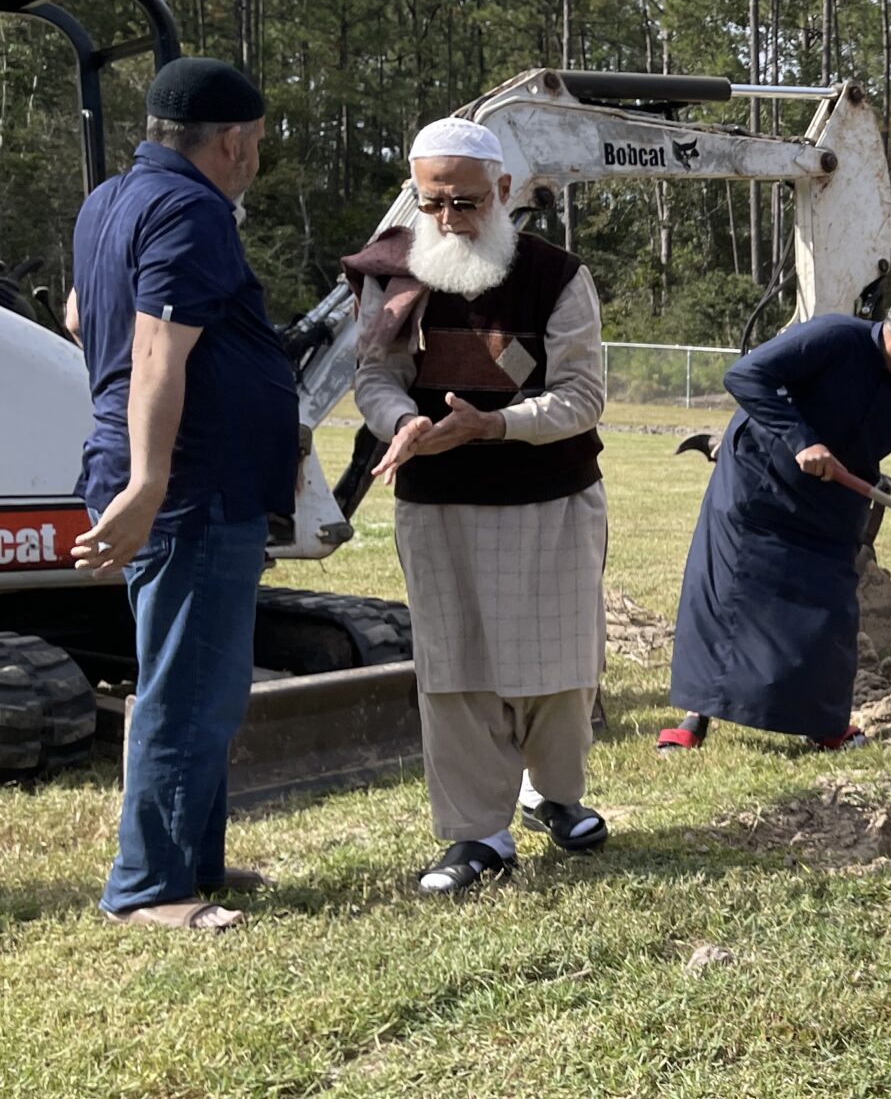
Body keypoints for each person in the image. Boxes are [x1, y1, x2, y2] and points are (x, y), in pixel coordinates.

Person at [347, 119, 611, 896]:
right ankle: (478, 835)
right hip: (439, 504)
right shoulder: (392, 273)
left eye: (465, 203)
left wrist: (494, 424)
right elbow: (374, 376)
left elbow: (583, 397)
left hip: (552, 499)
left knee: (560, 667)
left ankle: (550, 794)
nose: (450, 221)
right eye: (433, 205)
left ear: (503, 193)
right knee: (456, 667)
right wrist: (403, 423)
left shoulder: (558, 277)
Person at [68, 57, 298, 933]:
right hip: (191, 485)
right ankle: (150, 888)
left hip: (157, 475)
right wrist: (149, 480)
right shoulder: (195, 210)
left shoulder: (110, 200)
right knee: (186, 687)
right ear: (233, 142)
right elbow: (160, 346)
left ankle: (191, 860)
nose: (256, 157)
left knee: (199, 676)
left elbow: (85, 319)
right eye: (258, 144)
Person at [662, 292, 891, 752]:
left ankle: (823, 723)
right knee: (729, 597)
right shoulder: (834, 338)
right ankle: (697, 714)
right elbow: (746, 375)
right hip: (759, 486)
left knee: (829, 610)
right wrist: (801, 440)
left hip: (832, 505)